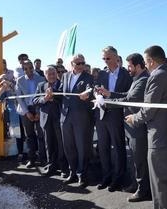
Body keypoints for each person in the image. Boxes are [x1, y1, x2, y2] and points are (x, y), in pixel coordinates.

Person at [125, 45, 167, 209]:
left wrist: (134, 118)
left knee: (159, 182)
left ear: (150, 60)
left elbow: (149, 109)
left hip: (158, 137)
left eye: (146, 61)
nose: (145, 65)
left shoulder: (157, 76)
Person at [98, 53, 150, 202]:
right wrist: (109, 94)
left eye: (129, 66)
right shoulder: (137, 78)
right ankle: (136, 185)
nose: (128, 69)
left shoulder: (143, 79)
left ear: (138, 65)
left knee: (140, 160)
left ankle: (143, 190)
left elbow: (130, 99)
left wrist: (108, 102)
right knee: (135, 159)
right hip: (131, 126)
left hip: (137, 127)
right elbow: (126, 94)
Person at [95, 46, 132, 192]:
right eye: (103, 59)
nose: (106, 61)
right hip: (102, 114)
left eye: (108, 58)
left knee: (118, 148)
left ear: (117, 58)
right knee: (103, 148)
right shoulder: (102, 73)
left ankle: (118, 177)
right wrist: (96, 93)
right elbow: (96, 87)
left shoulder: (126, 74)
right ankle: (106, 176)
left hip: (117, 115)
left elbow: (128, 95)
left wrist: (110, 94)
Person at [59, 54, 95, 188]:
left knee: (82, 147)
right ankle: (72, 172)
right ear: (72, 64)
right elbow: (61, 92)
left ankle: (82, 175)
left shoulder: (89, 77)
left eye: (83, 63)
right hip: (65, 117)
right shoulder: (65, 76)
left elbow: (90, 89)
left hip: (81, 117)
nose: (81, 66)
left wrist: (88, 94)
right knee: (69, 147)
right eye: (78, 63)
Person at [33, 66, 68, 177]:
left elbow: (65, 98)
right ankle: (51, 166)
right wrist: (45, 99)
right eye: (49, 74)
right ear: (45, 75)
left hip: (59, 118)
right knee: (49, 144)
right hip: (46, 119)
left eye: (53, 73)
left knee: (61, 144)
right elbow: (34, 100)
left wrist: (53, 97)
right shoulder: (41, 85)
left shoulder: (62, 84)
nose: (52, 76)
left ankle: (63, 168)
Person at [15, 60, 46, 168]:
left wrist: (38, 112)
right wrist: (27, 112)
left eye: (30, 68)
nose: (29, 70)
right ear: (23, 70)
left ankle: (43, 159)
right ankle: (31, 159)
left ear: (33, 67)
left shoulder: (41, 79)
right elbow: (19, 98)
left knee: (41, 135)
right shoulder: (19, 80)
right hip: (25, 110)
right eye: (26, 69)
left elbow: (42, 96)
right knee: (30, 136)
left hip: (38, 109)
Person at [0, 74, 24, 161]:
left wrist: (10, 84)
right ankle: (19, 153)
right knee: (16, 134)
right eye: (1, 80)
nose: (3, 82)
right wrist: (2, 90)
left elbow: (18, 91)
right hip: (12, 114)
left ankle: (29, 152)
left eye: (5, 79)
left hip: (22, 112)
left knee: (25, 133)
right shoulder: (3, 90)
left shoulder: (15, 84)